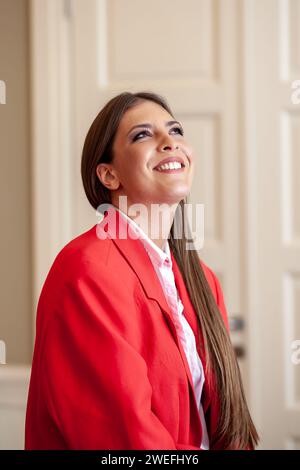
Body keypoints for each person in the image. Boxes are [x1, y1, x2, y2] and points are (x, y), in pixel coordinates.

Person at [25, 91, 259, 450]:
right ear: (109, 174)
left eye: (176, 131)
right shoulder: (87, 272)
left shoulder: (202, 281)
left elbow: (226, 425)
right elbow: (126, 442)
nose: (170, 143)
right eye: (143, 135)